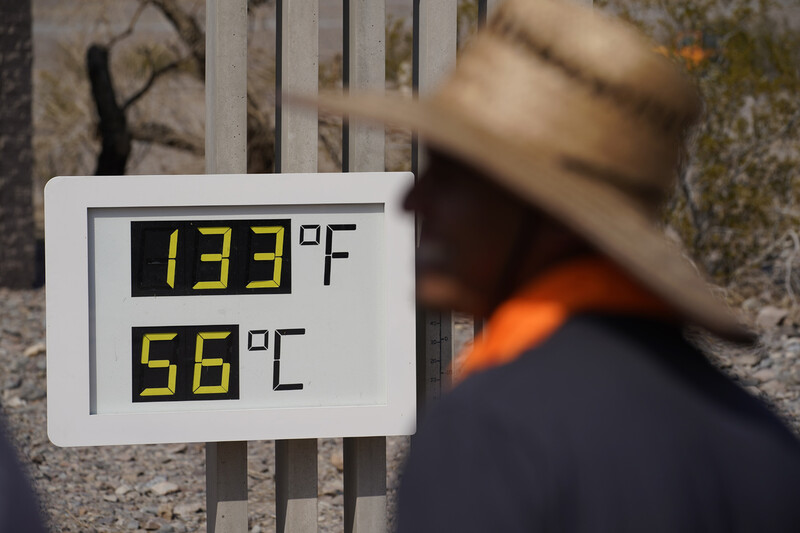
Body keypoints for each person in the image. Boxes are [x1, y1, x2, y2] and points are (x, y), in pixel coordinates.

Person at [303, 0, 800, 530]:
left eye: (452, 177)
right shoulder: (763, 443)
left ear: (555, 213)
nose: (413, 203)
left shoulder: (489, 434)